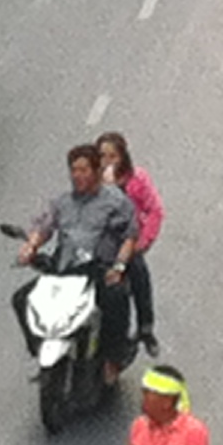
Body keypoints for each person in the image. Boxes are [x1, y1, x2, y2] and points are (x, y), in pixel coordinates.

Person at [18, 144, 142, 379]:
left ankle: (113, 358)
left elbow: (129, 238)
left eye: (84, 170)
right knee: (22, 298)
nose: (78, 176)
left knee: (115, 298)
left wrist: (118, 266)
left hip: (100, 270)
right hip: (65, 270)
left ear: (96, 171)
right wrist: (31, 246)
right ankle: (40, 345)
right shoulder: (62, 202)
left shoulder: (115, 202)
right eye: (74, 170)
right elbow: (44, 226)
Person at [99, 131, 164, 357]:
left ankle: (145, 330)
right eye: (102, 156)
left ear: (122, 157)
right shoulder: (91, 182)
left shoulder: (137, 180)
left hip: (128, 242)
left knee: (139, 277)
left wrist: (142, 243)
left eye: (112, 157)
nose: (107, 162)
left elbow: (155, 211)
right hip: (101, 245)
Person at [129, 366, 208, 445]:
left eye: (148, 393)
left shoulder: (193, 432)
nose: (143, 398)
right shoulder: (139, 425)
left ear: (167, 402)